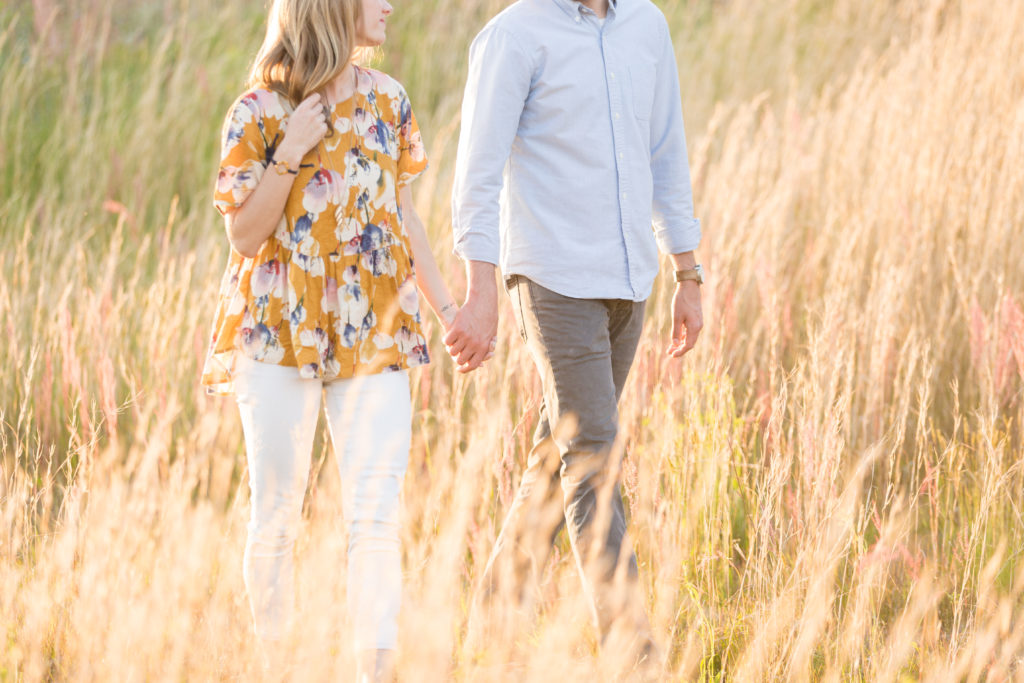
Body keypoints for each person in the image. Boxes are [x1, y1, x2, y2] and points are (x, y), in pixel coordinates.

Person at [201, 0, 458, 679]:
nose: (389, 7)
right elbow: (244, 236)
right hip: (277, 334)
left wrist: (450, 307)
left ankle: (375, 673)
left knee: (375, 517)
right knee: (277, 517)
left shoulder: (390, 101)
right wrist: (288, 153)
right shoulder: (257, 110)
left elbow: (406, 218)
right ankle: (277, 667)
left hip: (376, 331)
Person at [447, 0, 704, 661]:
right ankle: (636, 656)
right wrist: (481, 290)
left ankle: (487, 629)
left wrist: (687, 269)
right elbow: (475, 174)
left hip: (630, 281)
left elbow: (666, 150)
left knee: (554, 456)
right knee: (593, 460)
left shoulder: (645, 25)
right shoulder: (514, 35)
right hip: (553, 280)